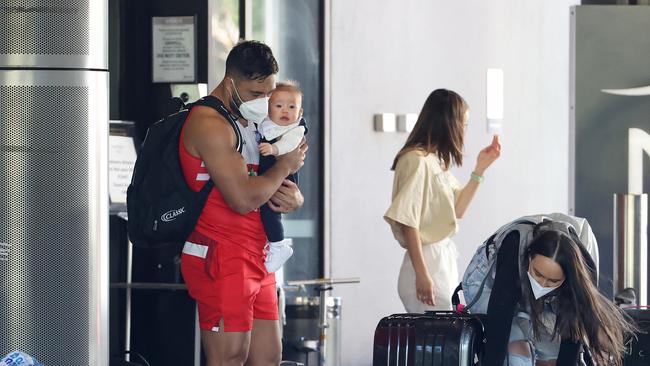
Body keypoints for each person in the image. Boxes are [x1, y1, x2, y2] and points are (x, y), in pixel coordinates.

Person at [179, 40, 307, 366]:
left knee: (268, 358)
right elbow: (242, 198)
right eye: (256, 95)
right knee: (229, 358)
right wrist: (285, 166)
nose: (265, 102)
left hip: (258, 254)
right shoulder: (209, 123)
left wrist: (293, 196)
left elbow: (270, 187)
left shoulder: (256, 123)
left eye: (269, 94)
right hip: (221, 253)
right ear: (231, 82)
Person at [384, 88, 501, 312]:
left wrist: (480, 168)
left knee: (442, 335)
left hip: (437, 261)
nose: (464, 131)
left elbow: (458, 209)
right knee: (436, 340)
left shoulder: (433, 161)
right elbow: (409, 221)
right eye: (463, 124)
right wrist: (423, 274)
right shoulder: (416, 161)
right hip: (426, 262)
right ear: (449, 123)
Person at [500, 222, 636, 366]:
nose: (543, 284)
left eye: (553, 280)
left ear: (567, 279)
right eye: (538, 274)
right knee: (518, 355)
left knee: (551, 356)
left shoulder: (579, 285)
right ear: (529, 258)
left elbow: (568, 350)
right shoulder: (513, 251)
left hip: (555, 307)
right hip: (501, 295)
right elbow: (498, 327)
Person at [257, 81, 307, 273]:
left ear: (300, 113)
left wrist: (273, 149)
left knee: (270, 211)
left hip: (285, 178)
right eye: (279, 106)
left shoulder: (295, 129)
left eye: (292, 107)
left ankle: (278, 245)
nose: (285, 111)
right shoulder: (265, 124)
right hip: (272, 173)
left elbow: (289, 147)